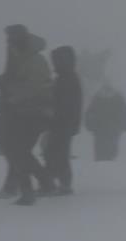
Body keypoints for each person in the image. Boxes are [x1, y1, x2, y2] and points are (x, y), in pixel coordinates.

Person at [0, 25, 54, 206]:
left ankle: (29, 189)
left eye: (10, 38)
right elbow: (11, 77)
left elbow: (34, 87)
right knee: (17, 150)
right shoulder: (19, 57)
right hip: (18, 111)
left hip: (31, 112)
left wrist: (13, 98)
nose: (7, 42)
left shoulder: (35, 60)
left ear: (19, 40)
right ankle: (41, 184)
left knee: (17, 150)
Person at [41, 45, 82, 196]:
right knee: (55, 152)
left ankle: (57, 184)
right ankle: (57, 183)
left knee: (56, 153)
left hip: (62, 123)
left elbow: (65, 104)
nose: (54, 63)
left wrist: (52, 113)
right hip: (63, 123)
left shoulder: (67, 78)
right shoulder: (66, 77)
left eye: (57, 60)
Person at [84, 83, 126, 161]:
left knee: (102, 155)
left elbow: (89, 115)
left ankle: (104, 167)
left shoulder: (97, 99)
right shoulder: (118, 99)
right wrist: (125, 126)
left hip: (101, 132)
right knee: (110, 155)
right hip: (111, 132)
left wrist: (91, 126)